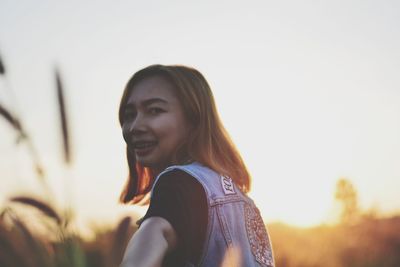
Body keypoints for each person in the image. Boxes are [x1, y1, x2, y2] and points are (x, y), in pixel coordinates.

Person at [118, 64, 274, 267]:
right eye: (130, 114)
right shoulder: (243, 200)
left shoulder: (176, 183)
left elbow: (155, 231)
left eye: (155, 110)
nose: (135, 127)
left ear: (193, 119)